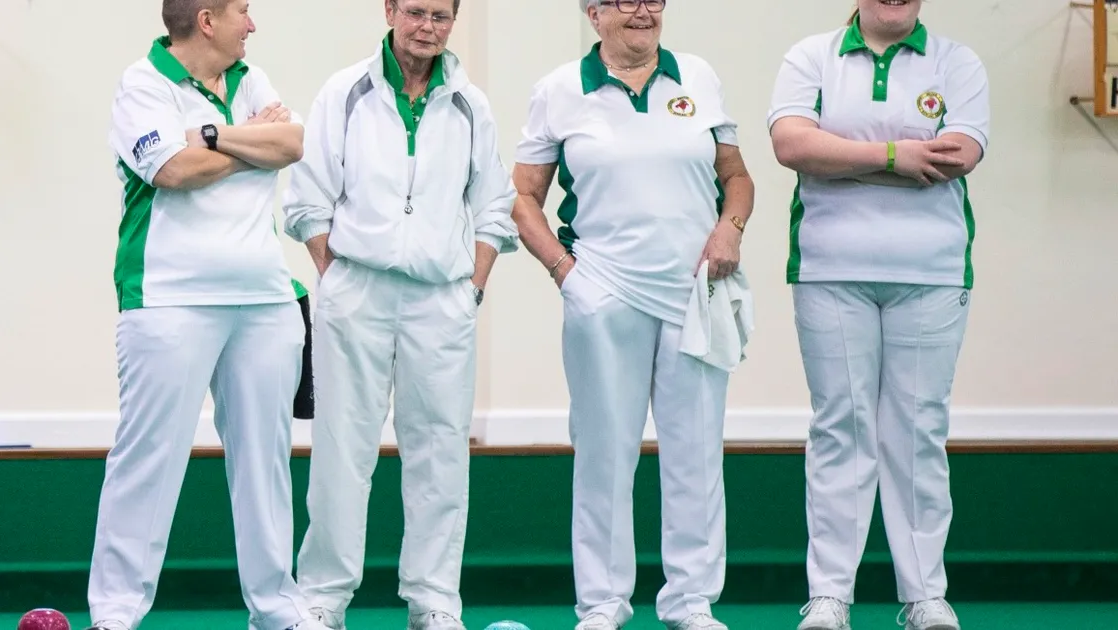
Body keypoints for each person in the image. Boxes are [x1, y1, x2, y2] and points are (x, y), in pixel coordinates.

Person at [510, 1, 756, 629]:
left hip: (693, 293)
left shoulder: (698, 76)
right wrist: (565, 273)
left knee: (696, 454)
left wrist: (730, 230)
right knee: (603, 453)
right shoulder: (559, 90)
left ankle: (691, 604)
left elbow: (737, 176)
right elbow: (522, 197)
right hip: (604, 294)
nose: (642, 11)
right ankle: (601, 605)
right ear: (594, 14)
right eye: (624, 0)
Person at [281, 0, 519, 628]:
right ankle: (322, 600)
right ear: (389, 10)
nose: (428, 28)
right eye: (416, 12)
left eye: (441, 16)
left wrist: (472, 287)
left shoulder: (472, 104)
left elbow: (495, 206)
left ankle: (434, 602)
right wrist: (336, 276)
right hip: (355, 291)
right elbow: (307, 200)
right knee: (340, 448)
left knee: (441, 451)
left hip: (442, 299)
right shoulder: (346, 92)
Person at [87, 1, 325, 630]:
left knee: (265, 461)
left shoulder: (253, 79)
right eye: (243, 11)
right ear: (206, 20)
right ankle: (115, 614)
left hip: (266, 300)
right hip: (167, 298)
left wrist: (213, 136)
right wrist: (252, 143)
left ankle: (277, 610)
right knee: (148, 458)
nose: (254, 24)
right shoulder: (144, 82)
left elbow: (295, 142)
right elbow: (172, 169)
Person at [767, 1, 989, 629]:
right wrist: (895, 157)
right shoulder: (810, 55)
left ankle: (924, 596)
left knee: (917, 430)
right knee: (841, 427)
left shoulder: (957, 61)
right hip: (830, 269)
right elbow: (791, 144)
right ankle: (830, 594)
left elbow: (958, 155)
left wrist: (842, 154)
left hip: (933, 271)